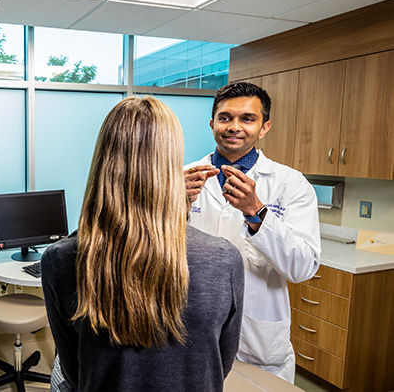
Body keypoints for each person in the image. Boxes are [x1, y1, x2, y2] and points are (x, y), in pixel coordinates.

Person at [41, 96, 244, 392]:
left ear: (103, 160)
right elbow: (221, 363)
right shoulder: (224, 259)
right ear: (172, 164)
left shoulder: (61, 259)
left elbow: (73, 367)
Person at [184, 82, 321, 382]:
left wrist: (256, 212)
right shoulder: (182, 176)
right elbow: (158, 250)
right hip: (193, 331)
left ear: (264, 127)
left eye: (247, 118)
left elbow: (302, 267)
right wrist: (176, 206)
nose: (234, 126)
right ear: (212, 124)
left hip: (257, 338)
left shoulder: (291, 184)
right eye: (225, 117)